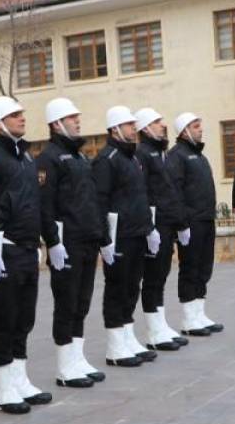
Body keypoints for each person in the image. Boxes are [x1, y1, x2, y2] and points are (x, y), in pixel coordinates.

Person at [0, 96, 52, 414]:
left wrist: (46, 242)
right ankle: (3, 388)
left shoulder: (26, 158)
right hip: (4, 252)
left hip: (27, 249)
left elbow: (36, 205)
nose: (21, 118)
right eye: (14, 115)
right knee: (4, 318)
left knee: (24, 319)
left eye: (21, 113)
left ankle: (19, 379)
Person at [37, 98, 108, 388]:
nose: (78, 121)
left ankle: (77, 358)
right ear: (57, 124)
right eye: (71, 117)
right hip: (67, 244)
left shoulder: (79, 157)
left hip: (87, 239)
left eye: (77, 116)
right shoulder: (49, 158)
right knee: (66, 303)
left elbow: (91, 200)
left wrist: (102, 237)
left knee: (82, 302)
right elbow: (45, 205)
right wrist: (53, 242)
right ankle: (65, 366)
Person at [93, 106, 161, 367]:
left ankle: (128, 338)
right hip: (118, 237)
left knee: (133, 287)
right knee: (117, 289)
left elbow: (139, 197)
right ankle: (114, 346)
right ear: (115, 129)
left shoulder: (133, 158)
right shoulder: (106, 159)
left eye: (134, 124)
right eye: (128, 124)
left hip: (136, 233)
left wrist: (149, 228)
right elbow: (100, 201)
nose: (134, 128)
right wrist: (105, 240)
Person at [135, 107, 188, 352]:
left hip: (167, 223)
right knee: (153, 278)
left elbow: (169, 191)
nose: (162, 125)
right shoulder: (143, 154)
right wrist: (149, 227)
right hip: (155, 225)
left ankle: (161, 324)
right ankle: (153, 330)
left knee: (162, 275)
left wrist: (180, 222)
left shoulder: (160, 152)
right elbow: (144, 193)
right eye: (157, 122)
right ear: (145, 128)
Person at [168, 112, 223, 336]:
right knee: (190, 267)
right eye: (196, 126)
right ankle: (189, 317)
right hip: (190, 223)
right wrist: (182, 224)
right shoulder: (177, 156)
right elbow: (175, 192)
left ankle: (199, 313)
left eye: (200, 125)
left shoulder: (199, 155)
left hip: (206, 219)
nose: (201, 129)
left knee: (204, 267)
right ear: (184, 131)